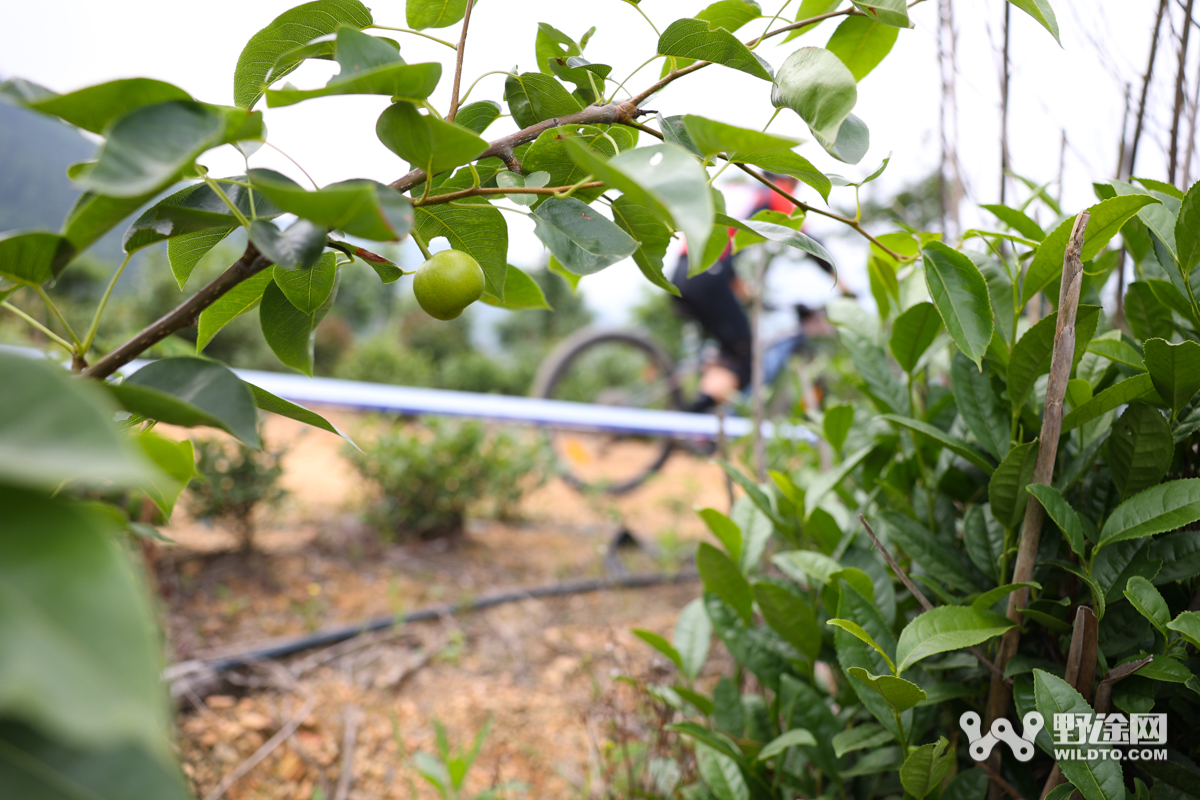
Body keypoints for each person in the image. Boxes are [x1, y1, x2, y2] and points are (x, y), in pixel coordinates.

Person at [670, 174, 842, 412]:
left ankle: (701, 425)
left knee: (729, 350)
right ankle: (692, 417)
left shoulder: (745, 196)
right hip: (707, 278)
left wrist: (744, 291)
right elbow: (808, 242)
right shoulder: (776, 192)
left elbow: (722, 254)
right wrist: (843, 284)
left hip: (684, 275)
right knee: (746, 358)